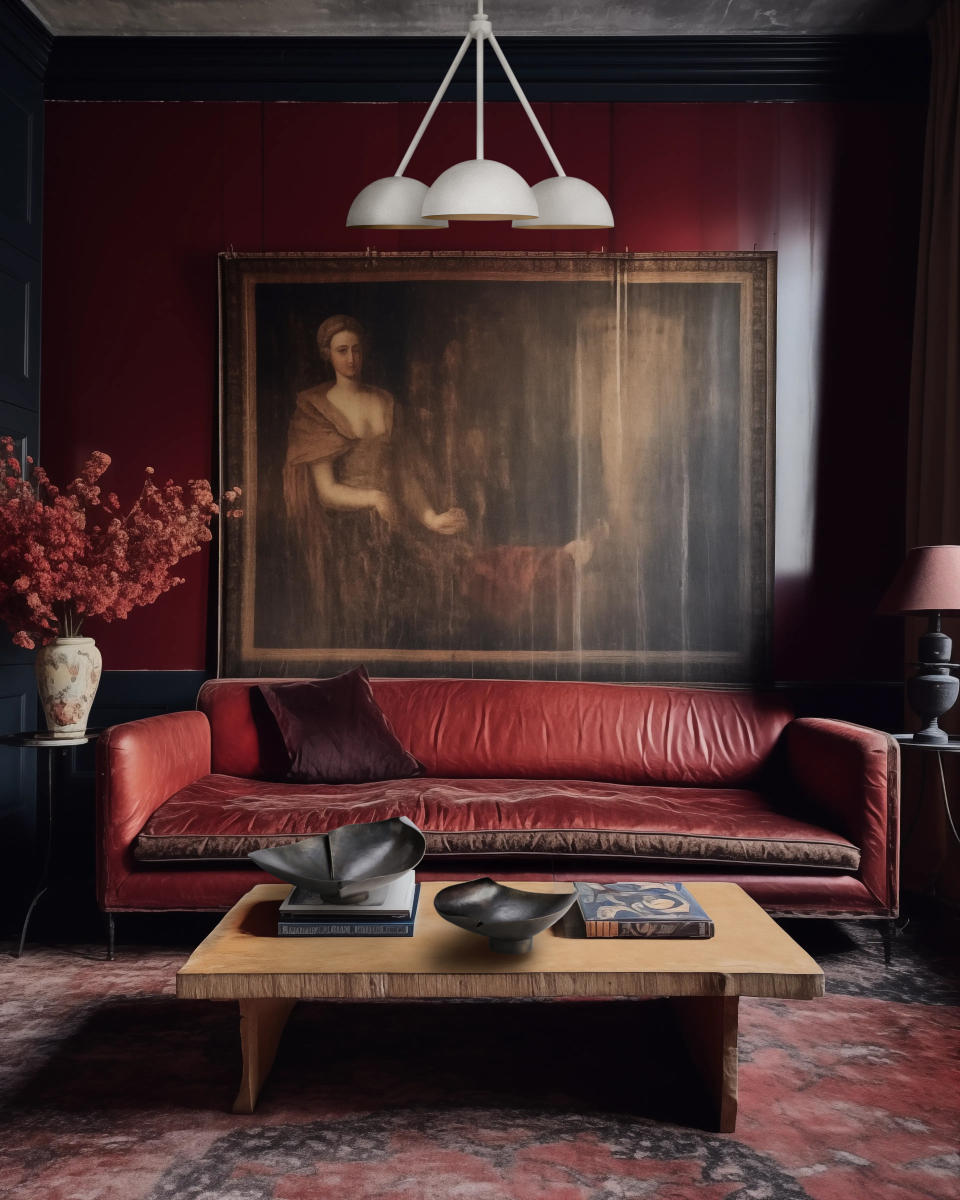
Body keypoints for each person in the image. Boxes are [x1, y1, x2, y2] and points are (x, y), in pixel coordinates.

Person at [283, 315, 467, 646]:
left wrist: (429, 517)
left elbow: (404, 471)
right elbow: (326, 492)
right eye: (342, 350)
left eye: (356, 349)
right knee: (364, 622)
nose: (351, 359)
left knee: (431, 603)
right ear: (328, 354)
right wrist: (375, 498)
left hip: (395, 521)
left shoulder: (384, 401)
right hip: (346, 533)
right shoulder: (315, 407)